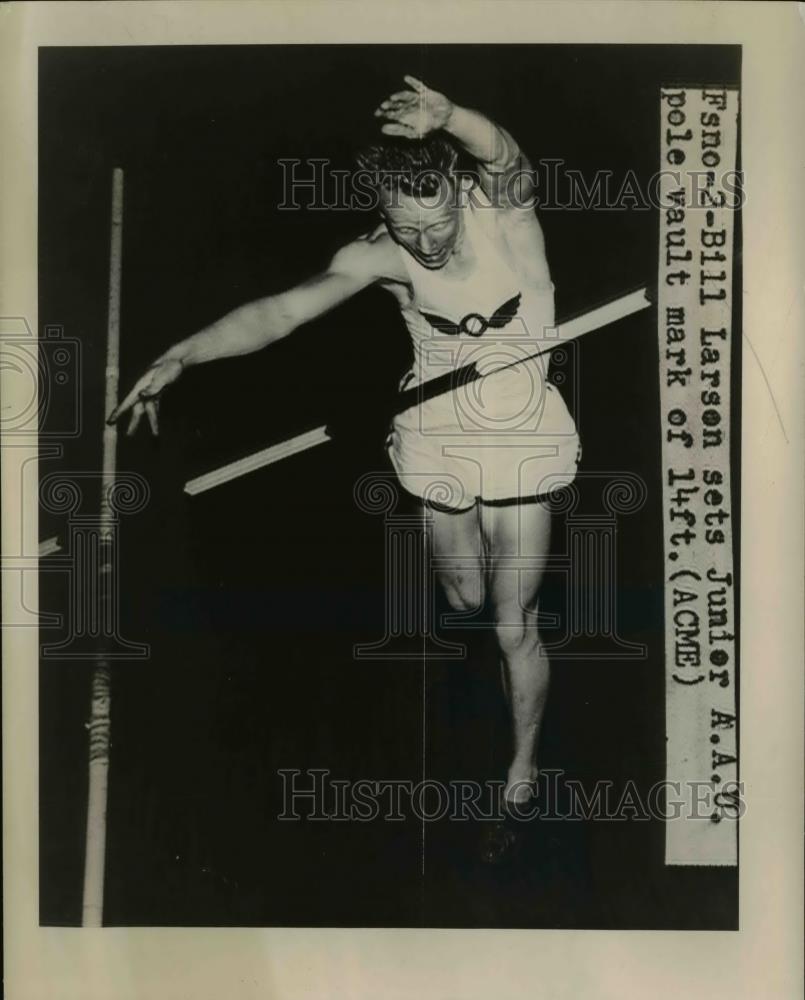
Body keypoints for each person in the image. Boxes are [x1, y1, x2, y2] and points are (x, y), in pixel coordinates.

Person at [110, 75, 580, 864]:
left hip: (524, 432)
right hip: (435, 429)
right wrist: (182, 356)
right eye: (406, 228)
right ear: (384, 216)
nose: (425, 243)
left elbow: (506, 158)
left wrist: (452, 117)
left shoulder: (504, 216)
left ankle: (520, 769)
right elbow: (282, 312)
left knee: (509, 622)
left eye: (435, 224)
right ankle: (470, 596)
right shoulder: (376, 254)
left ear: (458, 195)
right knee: (463, 596)